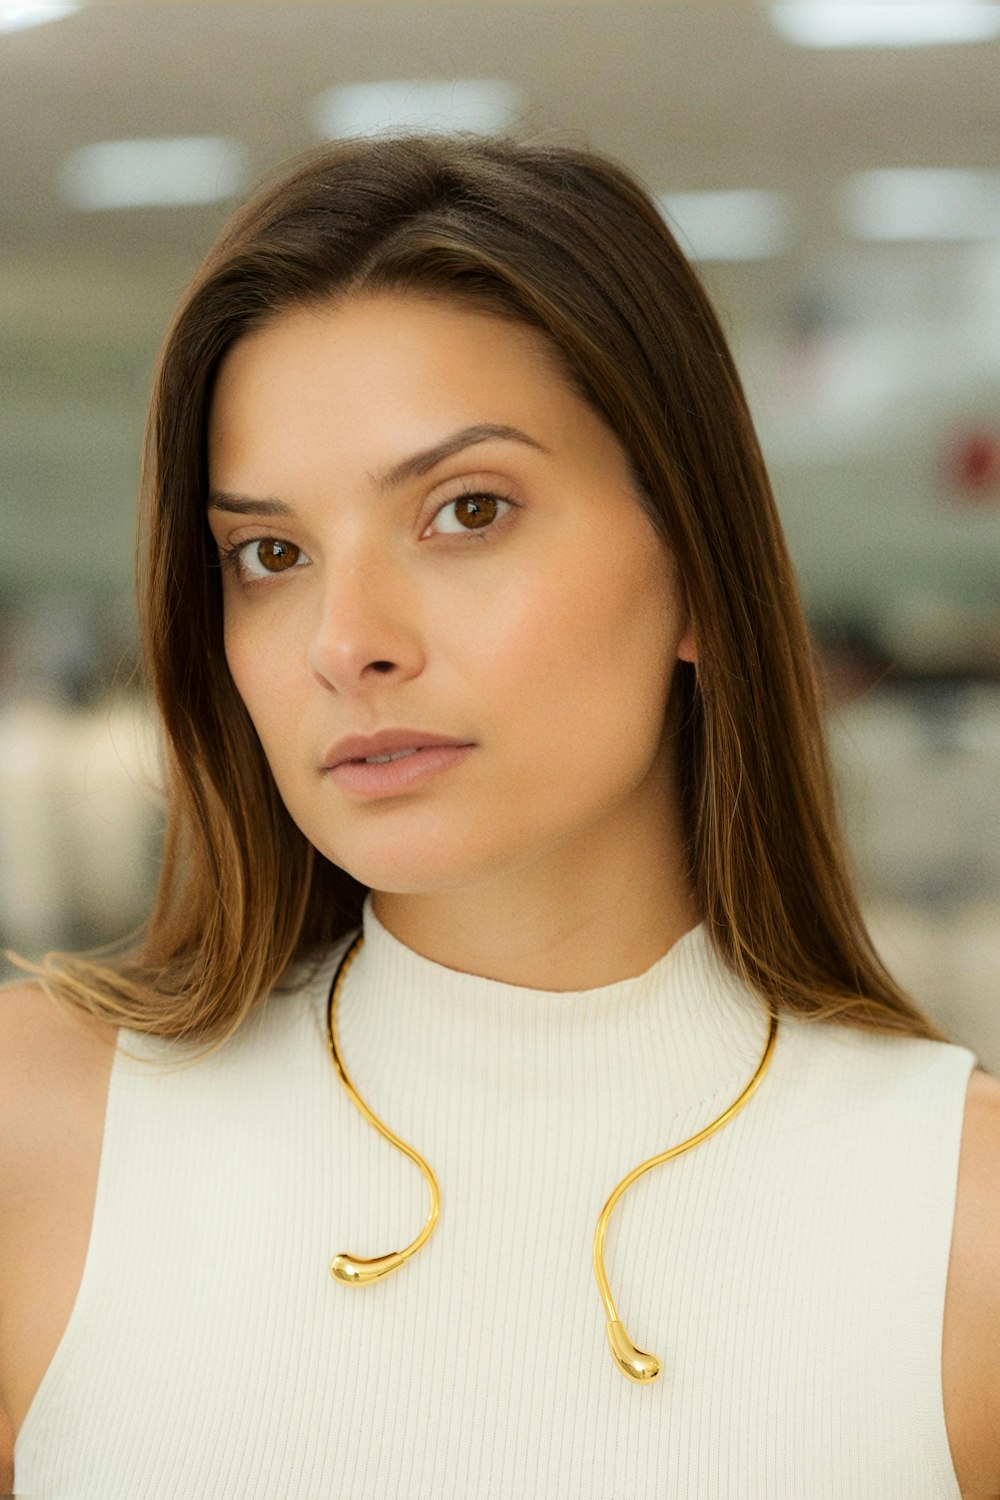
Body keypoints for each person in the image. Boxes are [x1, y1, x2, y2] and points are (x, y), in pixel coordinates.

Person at [2, 131, 997, 1500]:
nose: (347, 641)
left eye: (467, 511)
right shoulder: (38, 1136)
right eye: (270, 555)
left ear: (698, 572)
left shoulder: (964, 1231)